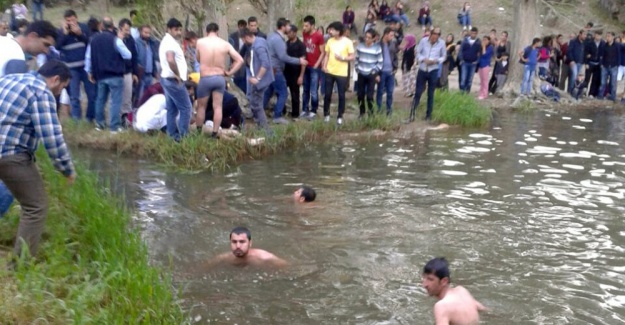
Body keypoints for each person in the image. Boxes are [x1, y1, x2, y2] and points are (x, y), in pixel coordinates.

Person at [0, 60, 76, 258]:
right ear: (56, 80)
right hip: (10, 154)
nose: (59, 93)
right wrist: (66, 169)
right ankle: (21, 265)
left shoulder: (8, 80)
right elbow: (51, 137)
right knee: (36, 206)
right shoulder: (41, 92)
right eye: (62, 88)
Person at [194, 23, 243, 139]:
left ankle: (198, 132)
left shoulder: (200, 42)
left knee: (201, 107)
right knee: (218, 107)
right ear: (218, 32)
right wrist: (230, 73)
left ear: (206, 32)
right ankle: (215, 133)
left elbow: (198, 58)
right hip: (219, 77)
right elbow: (239, 60)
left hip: (205, 78)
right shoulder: (225, 44)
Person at [86, 16, 132, 133]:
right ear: (112, 26)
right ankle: (114, 127)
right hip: (115, 74)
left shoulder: (93, 40)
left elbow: (89, 57)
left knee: (100, 100)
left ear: (101, 25)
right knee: (115, 101)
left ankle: (99, 125)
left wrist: (90, 71)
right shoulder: (115, 39)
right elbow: (128, 55)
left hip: (100, 75)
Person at [263, 18, 307, 124]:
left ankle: (258, 112)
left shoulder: (271, 36)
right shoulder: (278, 40)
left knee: (268, 92)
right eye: (288, 26)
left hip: (270, 69)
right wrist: (299, 61)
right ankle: (277, 116)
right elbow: (283, 57)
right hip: (276, 70)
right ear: (283, 27)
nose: (289, 28)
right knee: (283, 92)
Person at [422, 257, 486, 325]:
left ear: (444, 281)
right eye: (424, 278)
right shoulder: (462, 291)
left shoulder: (442, 306)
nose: (424, 284)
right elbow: (484, 310)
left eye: (430, 279)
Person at [58, 10, 95, 122]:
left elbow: (90, 42)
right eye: (68, 20)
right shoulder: (61, 31)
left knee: (91, 94)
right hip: (71, 68)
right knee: (74, 96)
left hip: (85, 67)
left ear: (76, 18)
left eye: (72, 20)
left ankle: (89, 118)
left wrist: (80, 34)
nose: (70, 22)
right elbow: (57, 46)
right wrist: (64, 33)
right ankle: (76, 120)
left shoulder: (84, 27)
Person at [159, 18, 192, 141]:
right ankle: (184, 137)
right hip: (173, 80)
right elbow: (170, 59)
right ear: (169, 29)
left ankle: (172, 136)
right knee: (186, 108)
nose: (178, 32)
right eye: (175, 30)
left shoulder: (168, 41)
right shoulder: (170, 43)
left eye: (179, 30)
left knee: (172, 109)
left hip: (167, 79)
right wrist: (178, 74)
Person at [410, 27, 445, 122]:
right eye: (434, 34)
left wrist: (436, 61)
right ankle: (412, 114)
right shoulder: (423, 41)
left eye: (438, 35)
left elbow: (443, 56)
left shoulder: (442, 43)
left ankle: (428, 116)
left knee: (430, 94)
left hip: (433, 70)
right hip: (422, 69)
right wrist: (423, 59)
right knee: (418, 92)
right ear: (431, 34)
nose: (435, 37)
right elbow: (417, 52)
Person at [322, 21, 354, 125]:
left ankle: (340, 116)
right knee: (327, 94)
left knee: (341, 95)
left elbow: (352, 56)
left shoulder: (347, 42)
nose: (330, 31)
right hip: (329, 71)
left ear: (338, 31)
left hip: (342, 73)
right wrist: (324, 65)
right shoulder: (330, 41)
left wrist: (343, 58)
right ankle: (326, 114)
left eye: (332, 30)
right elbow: (326, 55)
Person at [241, 27, 272, 132]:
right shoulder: (260, 40)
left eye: (243, 40)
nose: (244, 43)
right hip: (262, 79)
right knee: (256, 103)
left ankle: (266, 131)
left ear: (246, 37)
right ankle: (262, 128)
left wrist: (257, 78)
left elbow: (265, 64)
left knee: (256, 105)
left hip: (261, 81)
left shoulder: (258, 46)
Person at [211, 227, 287, 268]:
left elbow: (287, 268)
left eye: (242, 242)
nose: (238, 246)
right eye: (234, 242)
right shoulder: (224, 258)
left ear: (250, 243)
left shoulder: (265, 257)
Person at [301, 15, 325, 120]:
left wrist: (317, 64)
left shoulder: (319, 36)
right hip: (306, 65)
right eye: (304, 25)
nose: (304, 28)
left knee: (314, 90)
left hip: (315, 67)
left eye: (306, 25)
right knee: (305, 89)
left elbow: (323, 52)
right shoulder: (304, 34)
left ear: (312, 25)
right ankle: (304, 109)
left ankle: (313, 110)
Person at [355, 28, 382, 118]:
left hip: (371, 74)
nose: (367, 39)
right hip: (361, 73)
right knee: (360, 95)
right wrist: (357, 68)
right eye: (366, 37)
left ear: (374, 39)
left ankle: (371, 114)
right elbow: (357, 59)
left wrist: (374, 71)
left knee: (370, 96)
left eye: (369, 38)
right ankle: (362, 113)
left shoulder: (377, 48)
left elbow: (380, 62)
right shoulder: (360, 46)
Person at [119, 18, 139, 127]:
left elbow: (134, 57)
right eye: (126, 30)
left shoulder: (130, 39)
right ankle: (117, 120)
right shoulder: (115, 39)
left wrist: (134, 73)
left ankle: (126, 121)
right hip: (117, 73)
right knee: (118, 98)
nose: (128, 32)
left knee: (128, 97)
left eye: (129, 30)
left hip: (128, 72)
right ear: (120, 28)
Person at [284, 24, 307, 119]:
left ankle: (295, 114)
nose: (288, 34)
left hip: (295, 73)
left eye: (289, 32)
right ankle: (283, 111)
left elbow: (303, 62)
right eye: (287, 33)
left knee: (295, 94)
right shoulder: (286, 44)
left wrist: (301, 76)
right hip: (285, 72)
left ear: (294, 32)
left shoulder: (301, 45)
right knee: (282, 92)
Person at [134, 25, 159, 103]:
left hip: (150, 74)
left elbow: (153, 58)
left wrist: (155, 72)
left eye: (149, 33)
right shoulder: (136, 43)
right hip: (141, 74)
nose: (148, 35)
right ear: (141, 32)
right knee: (139, 97)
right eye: (145, 32)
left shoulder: (152, 43)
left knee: (148, 97)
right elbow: (135, 59)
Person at [377, 27, 397, 115]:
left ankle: (389, 111)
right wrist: (376, 73)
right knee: (380, 91)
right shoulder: (378, 45)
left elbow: (395, 56)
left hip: (390, 72)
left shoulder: (392, 44)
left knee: (390, 92)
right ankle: (379, 109)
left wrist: (395, 67)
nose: (392, 37)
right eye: (391, 35)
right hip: (381, 72)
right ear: (385, 34)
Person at [459, 27, 481, 93]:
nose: (473, 35)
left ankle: (467, 93)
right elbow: (461, 51)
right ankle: (462, 93)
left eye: (475, 33)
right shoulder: (465, 41)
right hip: (465, 62)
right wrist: (461, 59)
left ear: (476, 34)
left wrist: (477, 61)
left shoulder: (478, 42)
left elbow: (479, 53)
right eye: (472, 33)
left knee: (470, 80)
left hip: (473, 63)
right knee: (463, 79)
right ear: (470, 33)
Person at [599, 32, 620, 101]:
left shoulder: (617, 45)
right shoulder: (604, 45)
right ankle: (600, 96)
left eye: (609, 36)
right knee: (603, 82)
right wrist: (601, 64)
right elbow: (601, 55)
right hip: (605, 66)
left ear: (613, 37)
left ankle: (613, 97)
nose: (608, 38)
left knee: (613, 83)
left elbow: (619, 55)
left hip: (614, 66)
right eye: (607, 36)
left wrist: (617, 64)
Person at [229, 19, 248, 92]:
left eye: (243, 27)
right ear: (238, 27)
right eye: (240, 27)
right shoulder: (232, 36)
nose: (241, 29)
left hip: (245, 60)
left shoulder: (247, 36)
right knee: (237, 77)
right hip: (235, 60)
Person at [567, 30, 586, 95]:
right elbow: (569, 51)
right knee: (574, 76)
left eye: (585, 35)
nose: (585, 36)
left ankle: (574, 92)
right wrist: (571, 60)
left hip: (580, 62)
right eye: (583, 34)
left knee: (578, 78)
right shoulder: (573, 42)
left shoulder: (584, 43)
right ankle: (570, 91)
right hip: (574, 62)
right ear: (580, 34)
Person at [477, 35, 493, 100]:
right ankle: (481, 93)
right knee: (481, 80)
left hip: (486, 65)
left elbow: (485, 54)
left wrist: (483, 46)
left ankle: (485, 94)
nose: (484, 41)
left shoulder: (490, 47)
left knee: (485, 80)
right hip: (480, 64)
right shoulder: (480, 47)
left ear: (489, 41)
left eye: (486, 40)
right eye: (483, 40)